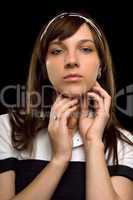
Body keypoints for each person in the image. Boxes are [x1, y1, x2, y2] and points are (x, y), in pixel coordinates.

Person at [0, 11, 133, 200]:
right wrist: (59, 159)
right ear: (43, 67)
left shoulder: (124, 143)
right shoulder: (7, 128)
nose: (71, 61)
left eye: (85, 49)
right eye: (57, 51)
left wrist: (93, 142)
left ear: (101, 64)